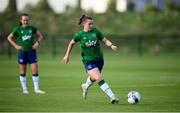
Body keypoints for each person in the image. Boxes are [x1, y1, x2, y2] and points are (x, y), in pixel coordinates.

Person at [63, 14, 119, 104]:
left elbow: (105, 40)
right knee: (99, 78)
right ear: (84, 24)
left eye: (92, 24)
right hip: (88, 61)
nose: (91, 25)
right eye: (90, 24)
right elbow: (71, 43)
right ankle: (112, 96)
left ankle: (85, 86)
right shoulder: (79, 35)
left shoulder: (96, 31)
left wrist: (111, 45)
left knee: (94, 78)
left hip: (100, 60)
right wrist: (67, 55)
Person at [7, 13, 45, 94]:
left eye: (27, 20)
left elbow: (40, 36)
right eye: (24, 20)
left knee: (35, 70)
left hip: (31, 52)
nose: (25, 22)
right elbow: (9, 37)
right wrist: (15, 46)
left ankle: (36, 89)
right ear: (21, 20)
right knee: (23, 71)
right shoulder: (17, 29)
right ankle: (24, 89)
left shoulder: (32, 28)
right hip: (22, 52)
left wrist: (37, 43)